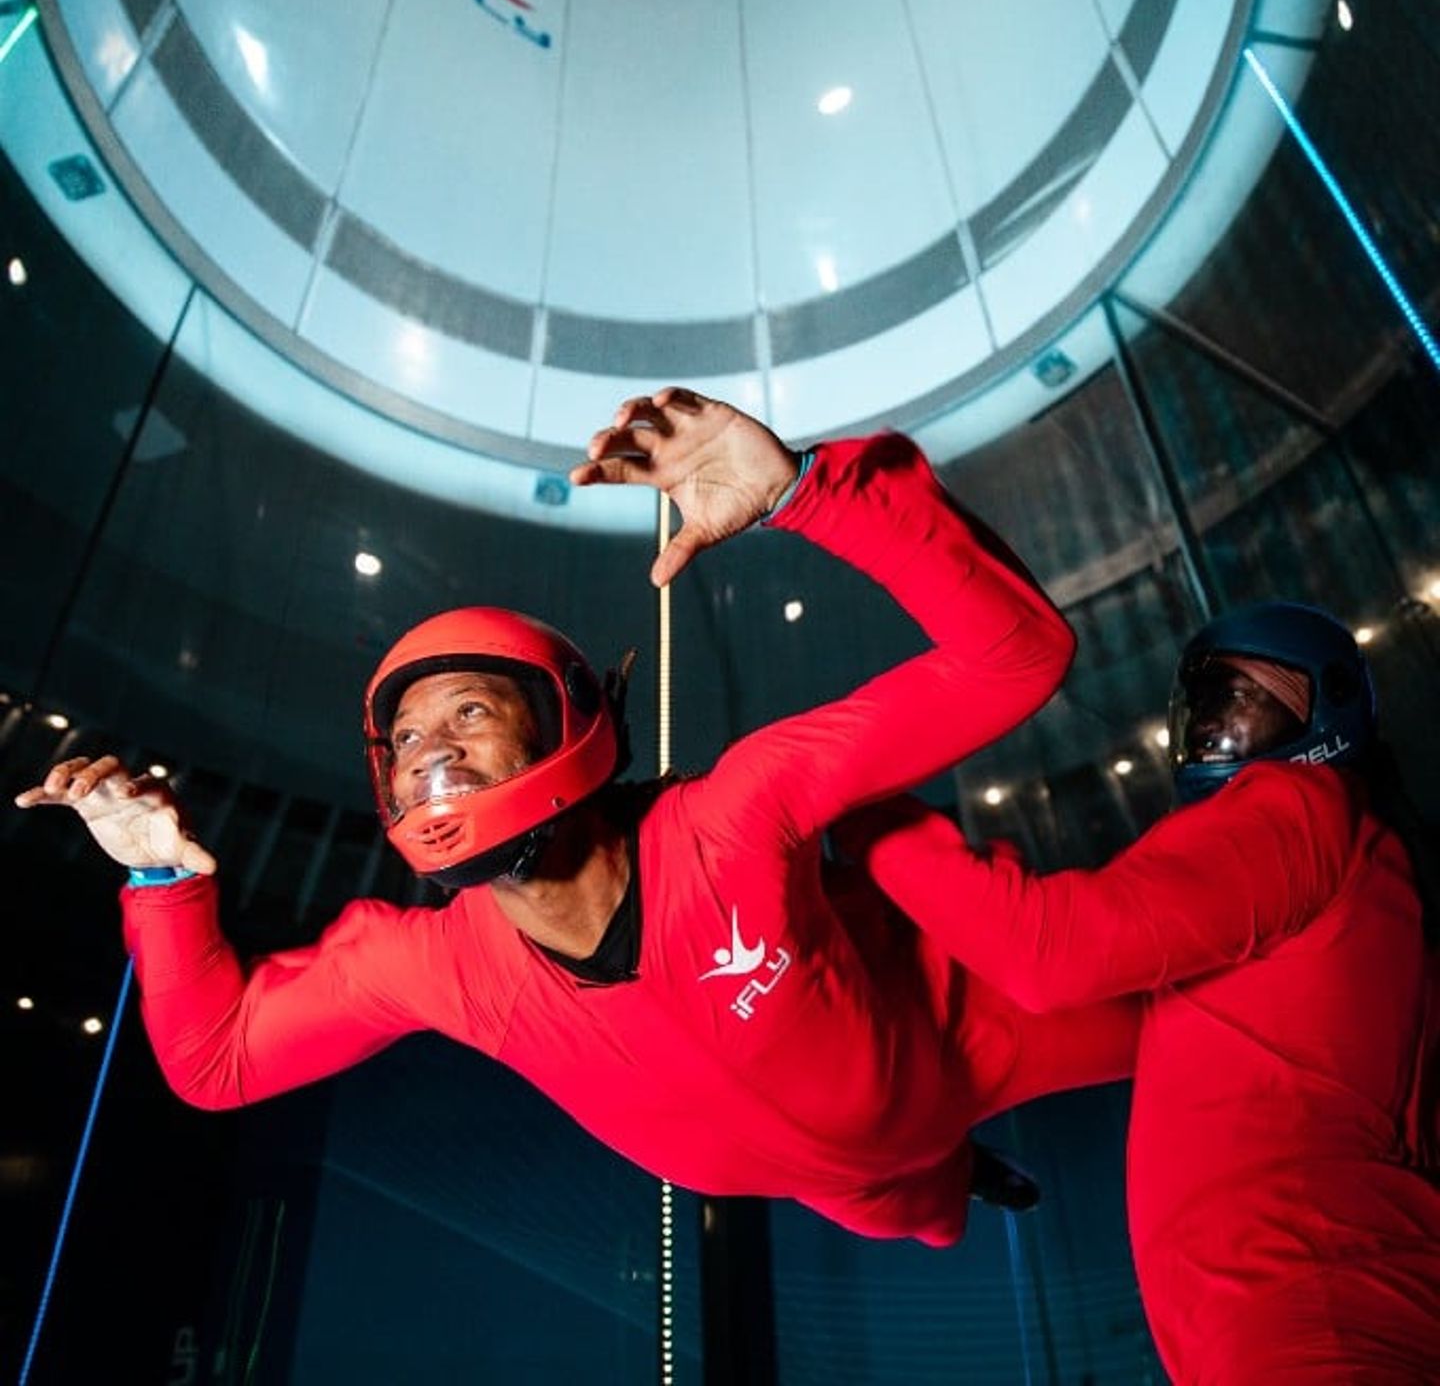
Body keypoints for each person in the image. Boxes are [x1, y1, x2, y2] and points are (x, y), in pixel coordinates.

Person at [15, 388, 1138, 1246]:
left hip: (970, 1046)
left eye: (468, 711)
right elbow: (217, 1063)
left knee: (1207, 1020)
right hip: (848, 1186)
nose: (431, 752)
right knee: (926, 1211)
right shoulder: (438, 964)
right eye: (404, 738)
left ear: (567, 726)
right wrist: (162, 882)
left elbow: (1016, 658)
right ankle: (961, 1180)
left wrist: (805, 492)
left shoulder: (735, 814)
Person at [841, 603, 1440, 1377]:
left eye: (1241, 694)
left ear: (1323, 707)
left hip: (1315, 1307)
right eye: (1203, 702)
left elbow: (1046, 953)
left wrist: (867, 822)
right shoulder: (1349, 876)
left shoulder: (1301, 808)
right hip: (1298, 1305)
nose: (1210, 724)